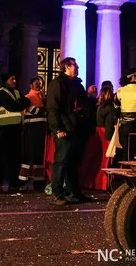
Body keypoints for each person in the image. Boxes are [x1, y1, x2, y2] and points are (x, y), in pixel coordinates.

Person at [46, 57, 92, 206]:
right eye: (74, 66)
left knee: (73, 161)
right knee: (61, 161)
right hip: (65, 128)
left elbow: (84, 104)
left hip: (77, 127)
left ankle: (75, 192)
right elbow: (53, 108)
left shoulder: (77, 85)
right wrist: (58, 128)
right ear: (66, 67)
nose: (77, 68)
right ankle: (57, 193)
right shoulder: (57, 84)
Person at [0, 73, 30, 192]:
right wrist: (19, 104)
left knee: (15, 157)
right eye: (11, 79)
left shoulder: (17, 92)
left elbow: (26, 101)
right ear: (5, 81)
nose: (14, 80)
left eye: (15, 78)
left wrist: (19, 103)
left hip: (16, 128)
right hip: (4, 129)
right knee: (1, 157)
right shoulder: (2, 93)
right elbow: (12, 106)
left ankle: (13, 183)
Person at [20, 77, 48, 188]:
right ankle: (23, 181)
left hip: (40, 130)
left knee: (39, 156)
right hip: (30, 130)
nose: (38, 85)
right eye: (36, 83)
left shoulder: (42, 97)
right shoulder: (28, 97)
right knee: (28, 155)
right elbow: (36, 111)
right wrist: (46, 109)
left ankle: (39, 181)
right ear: (31, 85)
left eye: (39, 83)